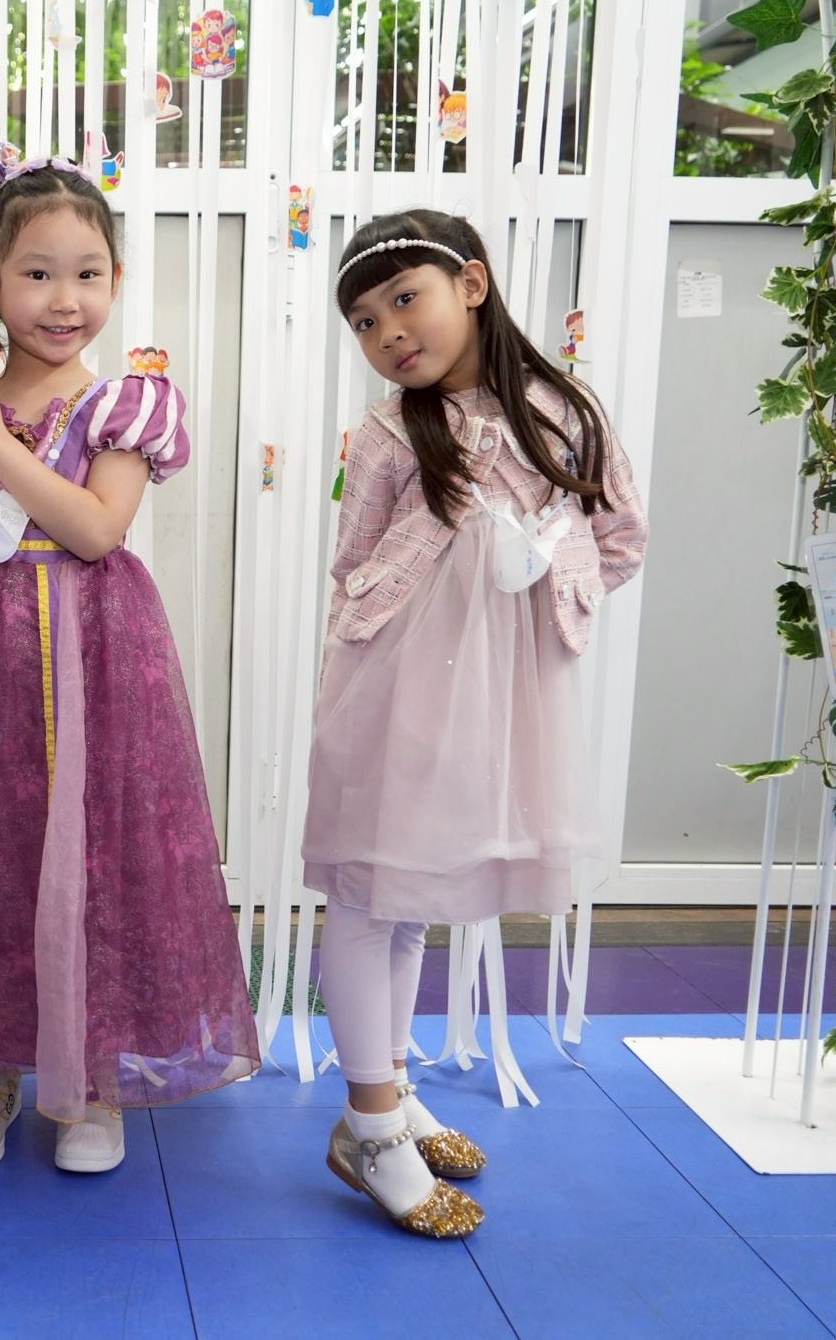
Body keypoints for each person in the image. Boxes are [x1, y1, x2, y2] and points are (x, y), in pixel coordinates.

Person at [0, 152, 260, 1176]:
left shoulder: (126, 403)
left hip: (90, 654)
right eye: (37, 273)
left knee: (88, 854)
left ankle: (88, 1078)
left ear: (115, 279)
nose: (64, 298)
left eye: (87, 273)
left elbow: (93, 528)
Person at [305, 209, 647, 1237]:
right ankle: (370, 1128)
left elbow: (620, 538)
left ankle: (391, 1087)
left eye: (402, 300)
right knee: (370, 891)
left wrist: (541, 570)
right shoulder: (385, 435)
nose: (388, 333)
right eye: (365, 323)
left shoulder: (563, 413)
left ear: (471, 283)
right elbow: (350, 564)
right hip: (392, 691)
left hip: (499, 704)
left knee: (416, 895)